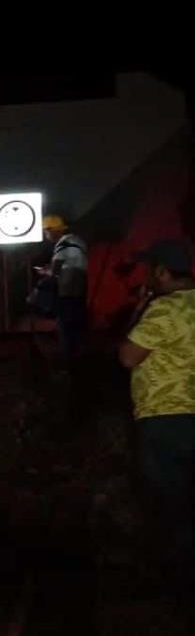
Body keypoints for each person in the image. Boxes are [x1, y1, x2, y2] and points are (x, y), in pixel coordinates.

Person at [118, 239, 195, 581]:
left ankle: (173, 578)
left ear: (162, 272)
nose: (145, 275)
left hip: (165, 416)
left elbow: (128, 356)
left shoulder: (165, 309)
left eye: (150, 268)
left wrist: (139, 312)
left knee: (167, 498)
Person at [37, 215, 88, 358]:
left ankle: (67, 356)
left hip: (67, 291)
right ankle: (77, 353)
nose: (45, 235)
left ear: (53, 230)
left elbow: (55, 270)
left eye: (46, 231)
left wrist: (43, 271)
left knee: (65, 325)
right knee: (76, 323)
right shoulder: (77, 240)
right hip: (79, 289)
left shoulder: (64, 243)